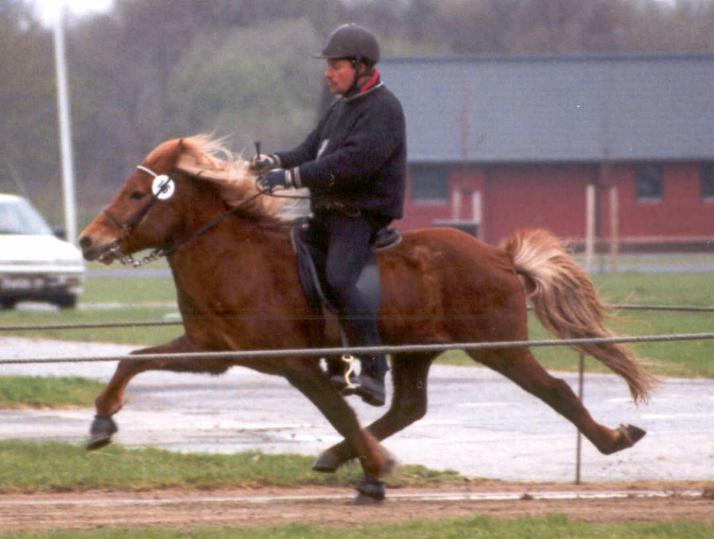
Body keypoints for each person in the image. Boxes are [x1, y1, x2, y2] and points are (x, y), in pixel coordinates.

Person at [250, 23, 406, 407]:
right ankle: (337, 360)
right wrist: (273, 160)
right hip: (326, 216)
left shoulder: (384, 109)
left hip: (358, 218)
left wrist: (289, 177)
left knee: (339, 278)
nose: (328, 72)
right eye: (328, 66)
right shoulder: (341, 108)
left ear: (361, 67)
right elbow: (309, 150)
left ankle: (374, 371)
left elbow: (351, 164)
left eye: (336, 66)